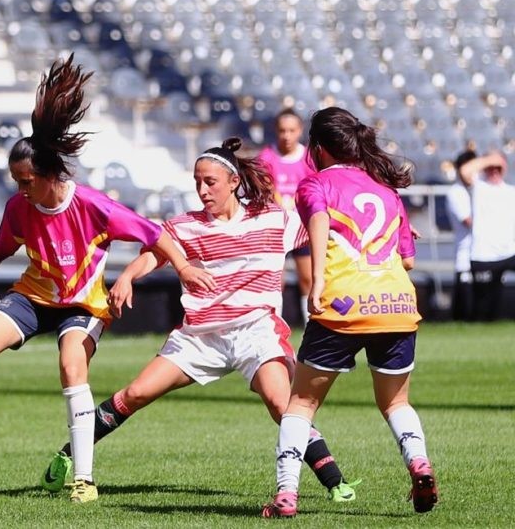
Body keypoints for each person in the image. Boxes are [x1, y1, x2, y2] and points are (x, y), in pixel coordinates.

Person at [0, 55, 204, 504]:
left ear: (50, 175)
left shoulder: (94, 206)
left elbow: (155, 235)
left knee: (72, 368)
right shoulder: (20, 208)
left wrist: (183, 269)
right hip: (33, 297)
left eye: (26, 180)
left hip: (83, 305)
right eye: (16, 181)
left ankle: (84, 479)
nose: (21, 189)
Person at [40, 137, 359, 504]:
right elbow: (153, 254)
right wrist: (127, 276)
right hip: (200, 337)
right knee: (135, 394)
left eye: (210, 182)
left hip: (256, 332)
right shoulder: (186, 226)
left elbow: (326, 225)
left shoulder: (275, 219)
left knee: (281, 403)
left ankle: (335, 482)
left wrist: (391, 237)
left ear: (234, 182)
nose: (202, 190)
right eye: (197, 182)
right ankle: (70, 452)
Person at [264, 107, 436, 518]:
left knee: (301, 403)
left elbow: (319, 220)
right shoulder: (386, 190)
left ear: (318, 147)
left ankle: (286, 494)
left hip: (343, 305)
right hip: (397, 306)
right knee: (396, 403)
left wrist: (319, 280)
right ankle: (419, 463)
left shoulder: (315, 183)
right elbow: (408, 261)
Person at [258, 109, 317, 324]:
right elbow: (263, 188)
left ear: (300, 131)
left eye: (291, 130)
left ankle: (311, 327)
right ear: (276, 131)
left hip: (303, 228)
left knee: (308, 278)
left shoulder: (309, 158)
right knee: (275, 281)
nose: (287, 135)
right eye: (283, 130)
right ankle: (274, 329)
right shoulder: (266, 157)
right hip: (275, 228)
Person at [460, 151, 515, 321]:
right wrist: (490, 159)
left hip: (510, 252)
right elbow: (465, 171)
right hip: (484, 254)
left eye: (498, 167)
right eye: (491, 167)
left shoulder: (511, 191)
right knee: (484, 307)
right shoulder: (479, 187)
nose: (494, 170)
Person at [444, 150, 477, 321]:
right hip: (465, 256)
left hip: (484, 253)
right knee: (465, 307)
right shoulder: (456, 192)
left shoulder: (480, 189)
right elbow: (468, 221)